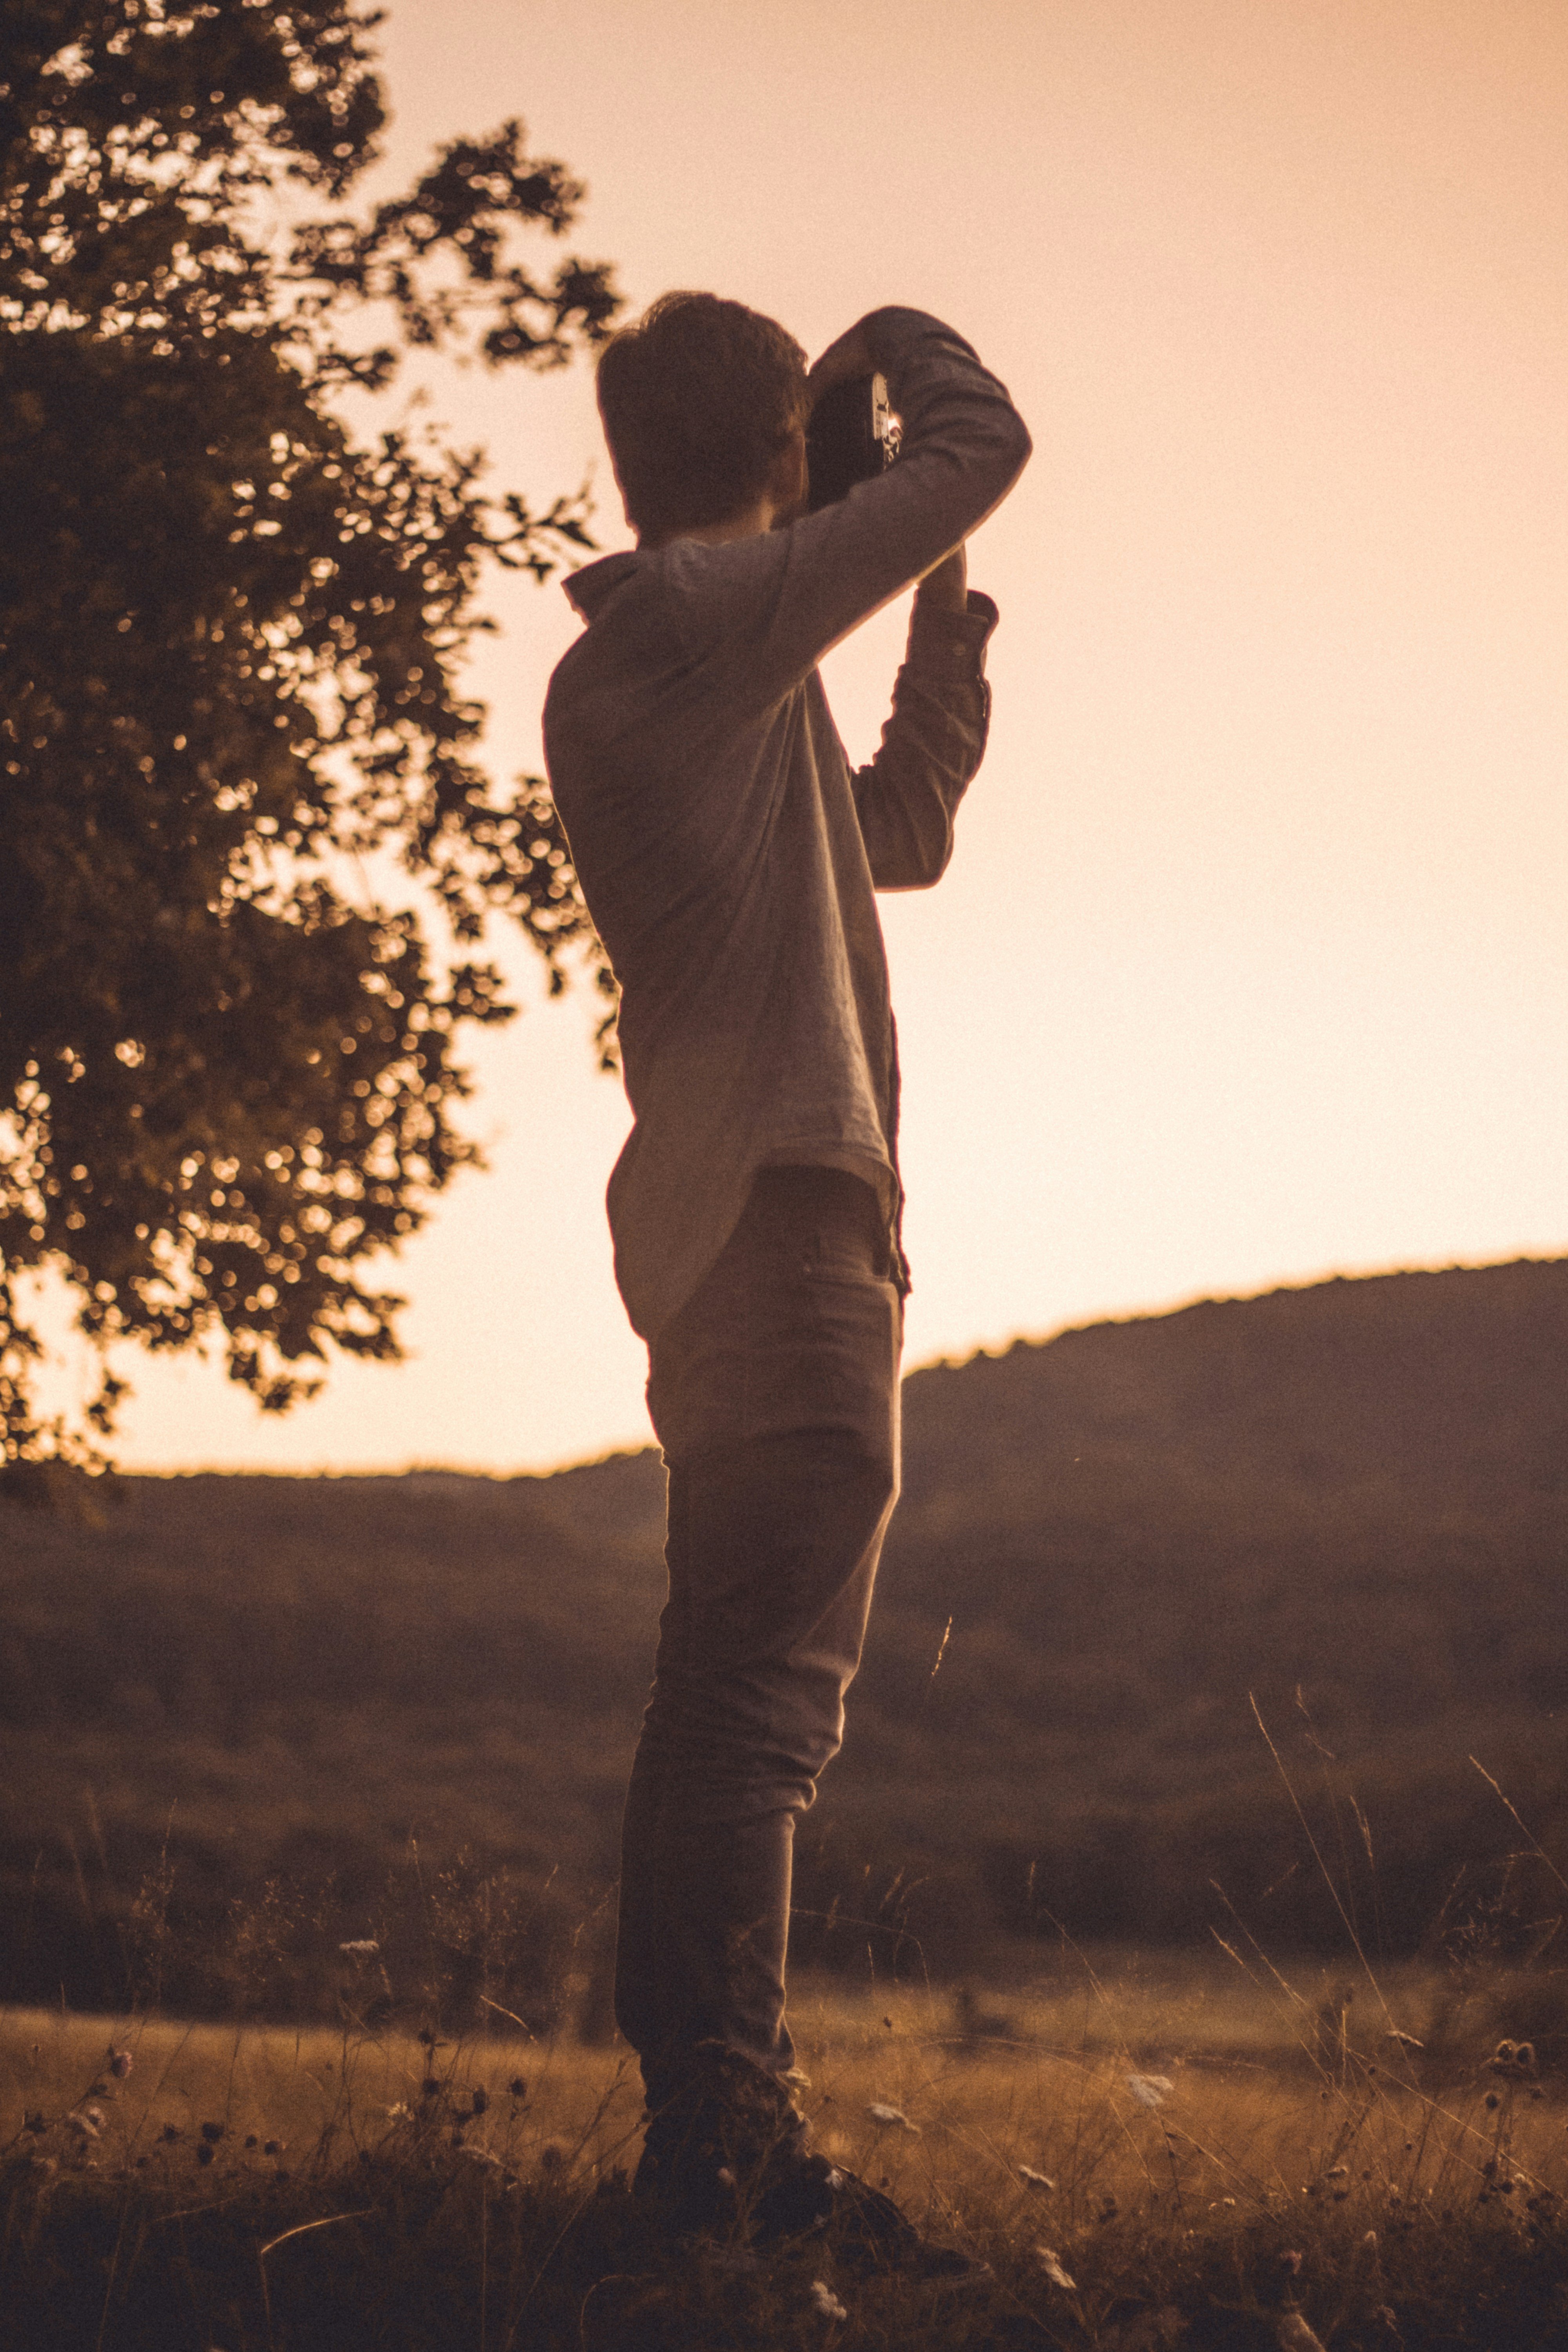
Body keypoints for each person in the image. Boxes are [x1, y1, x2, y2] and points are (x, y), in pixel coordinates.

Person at [543, 295, 1030, 2267]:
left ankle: (710, 2145)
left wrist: (943, 645)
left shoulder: (722, 675)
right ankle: (728, 2159)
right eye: (803, 462)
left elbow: (894, 834)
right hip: (777, 1233)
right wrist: (896, 341)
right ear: (772, 458)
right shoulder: (686, 630)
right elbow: (976, 446)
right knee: (756, 1722)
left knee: (725, 1707)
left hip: (763, 1229)